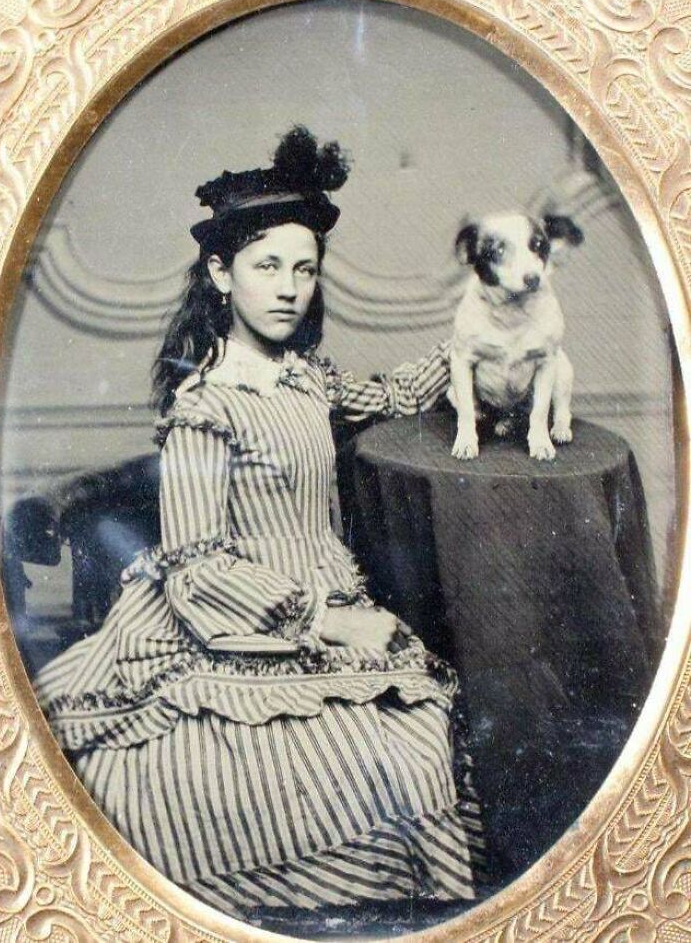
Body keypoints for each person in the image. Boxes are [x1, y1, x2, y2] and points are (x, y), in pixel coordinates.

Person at [34, 127, 483, 921]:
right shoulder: (206, 407)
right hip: (232, 621)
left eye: (304, 269)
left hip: (325, 604)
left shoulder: (305, 376)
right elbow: (196, 563)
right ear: (220, 273)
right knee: (282, 769)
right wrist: (328, 622)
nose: (288, 288)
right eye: (266, 266)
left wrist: (470, 346)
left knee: (414, 743)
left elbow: (390, 398)